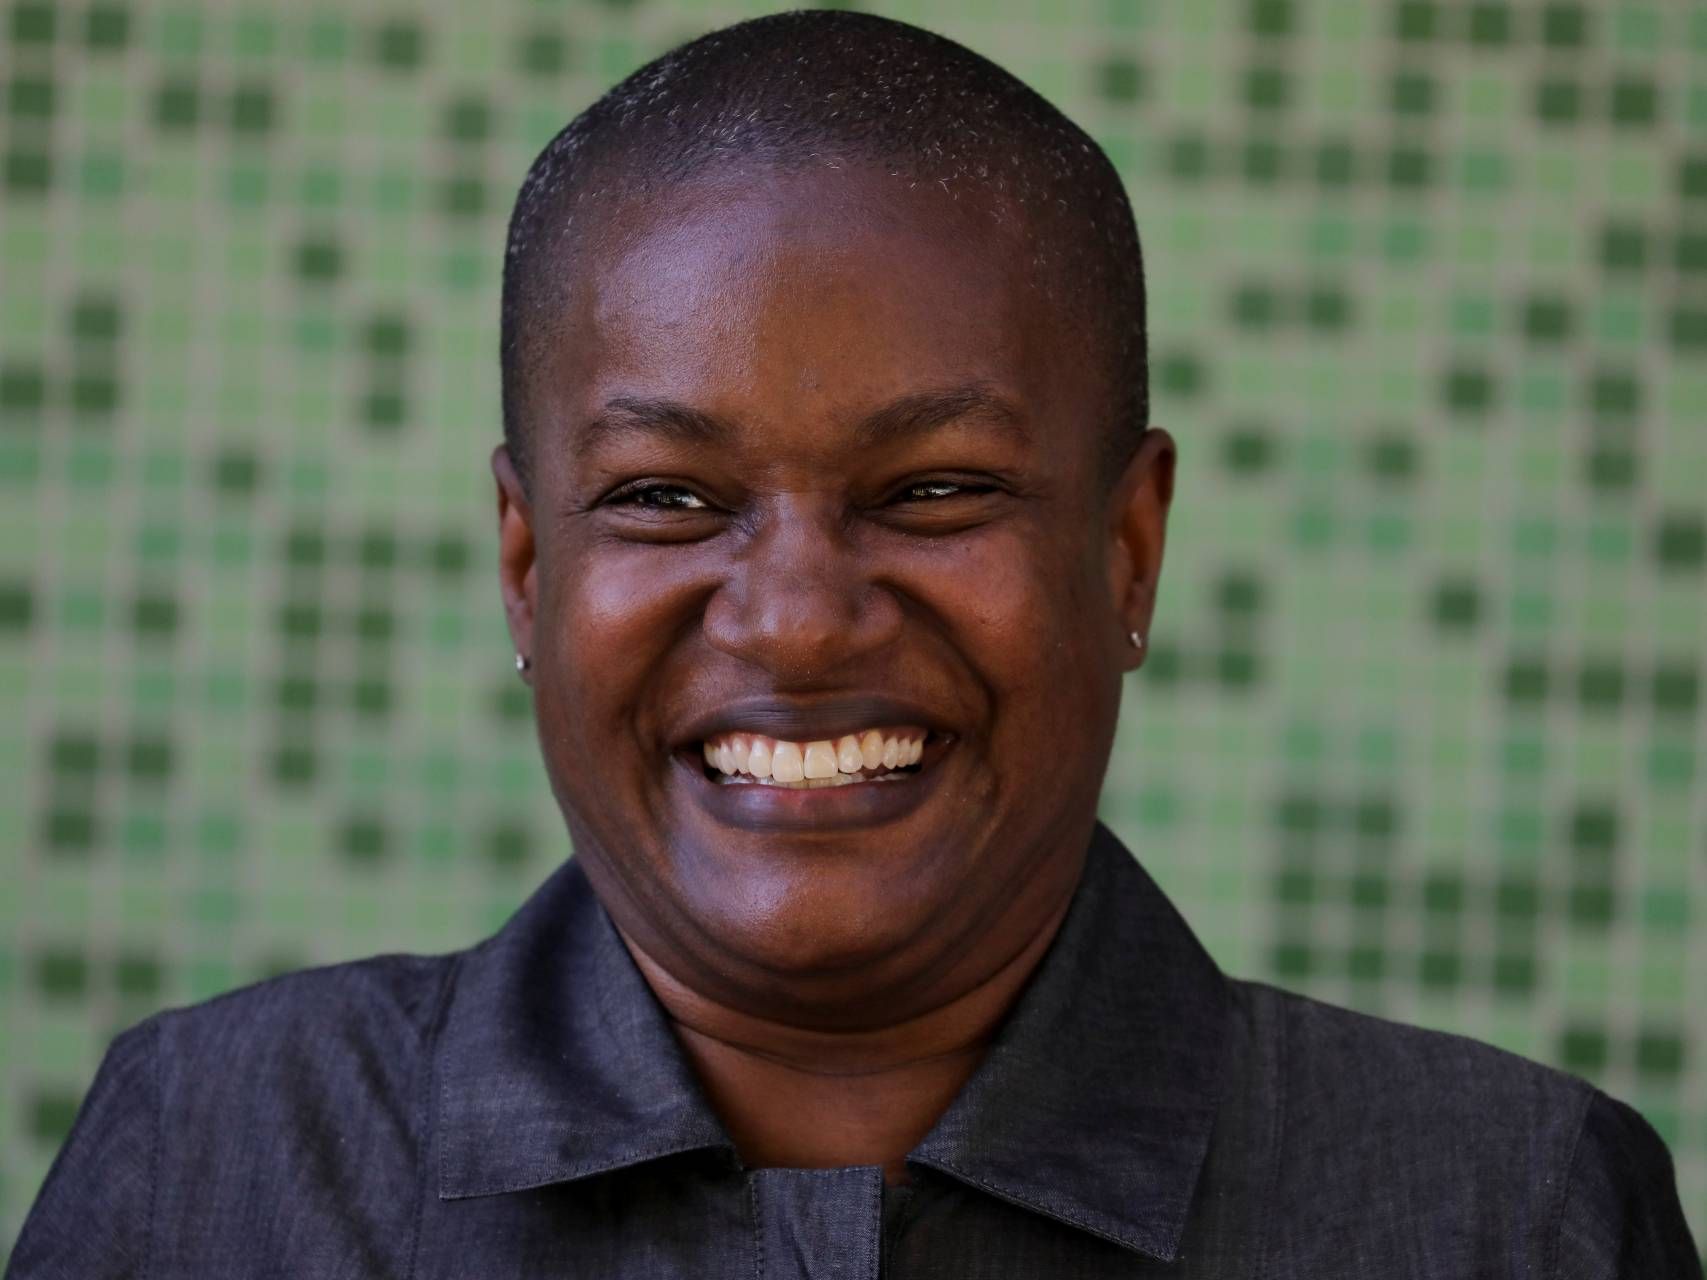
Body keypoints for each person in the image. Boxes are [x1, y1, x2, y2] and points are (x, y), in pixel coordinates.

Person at [9, 11, 1699, 1278]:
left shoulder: (1502, 1208)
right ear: (527, 565)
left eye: (938, 488)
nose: (801, 616)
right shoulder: (216, 1165)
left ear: (1128, 546)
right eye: (670, 498)